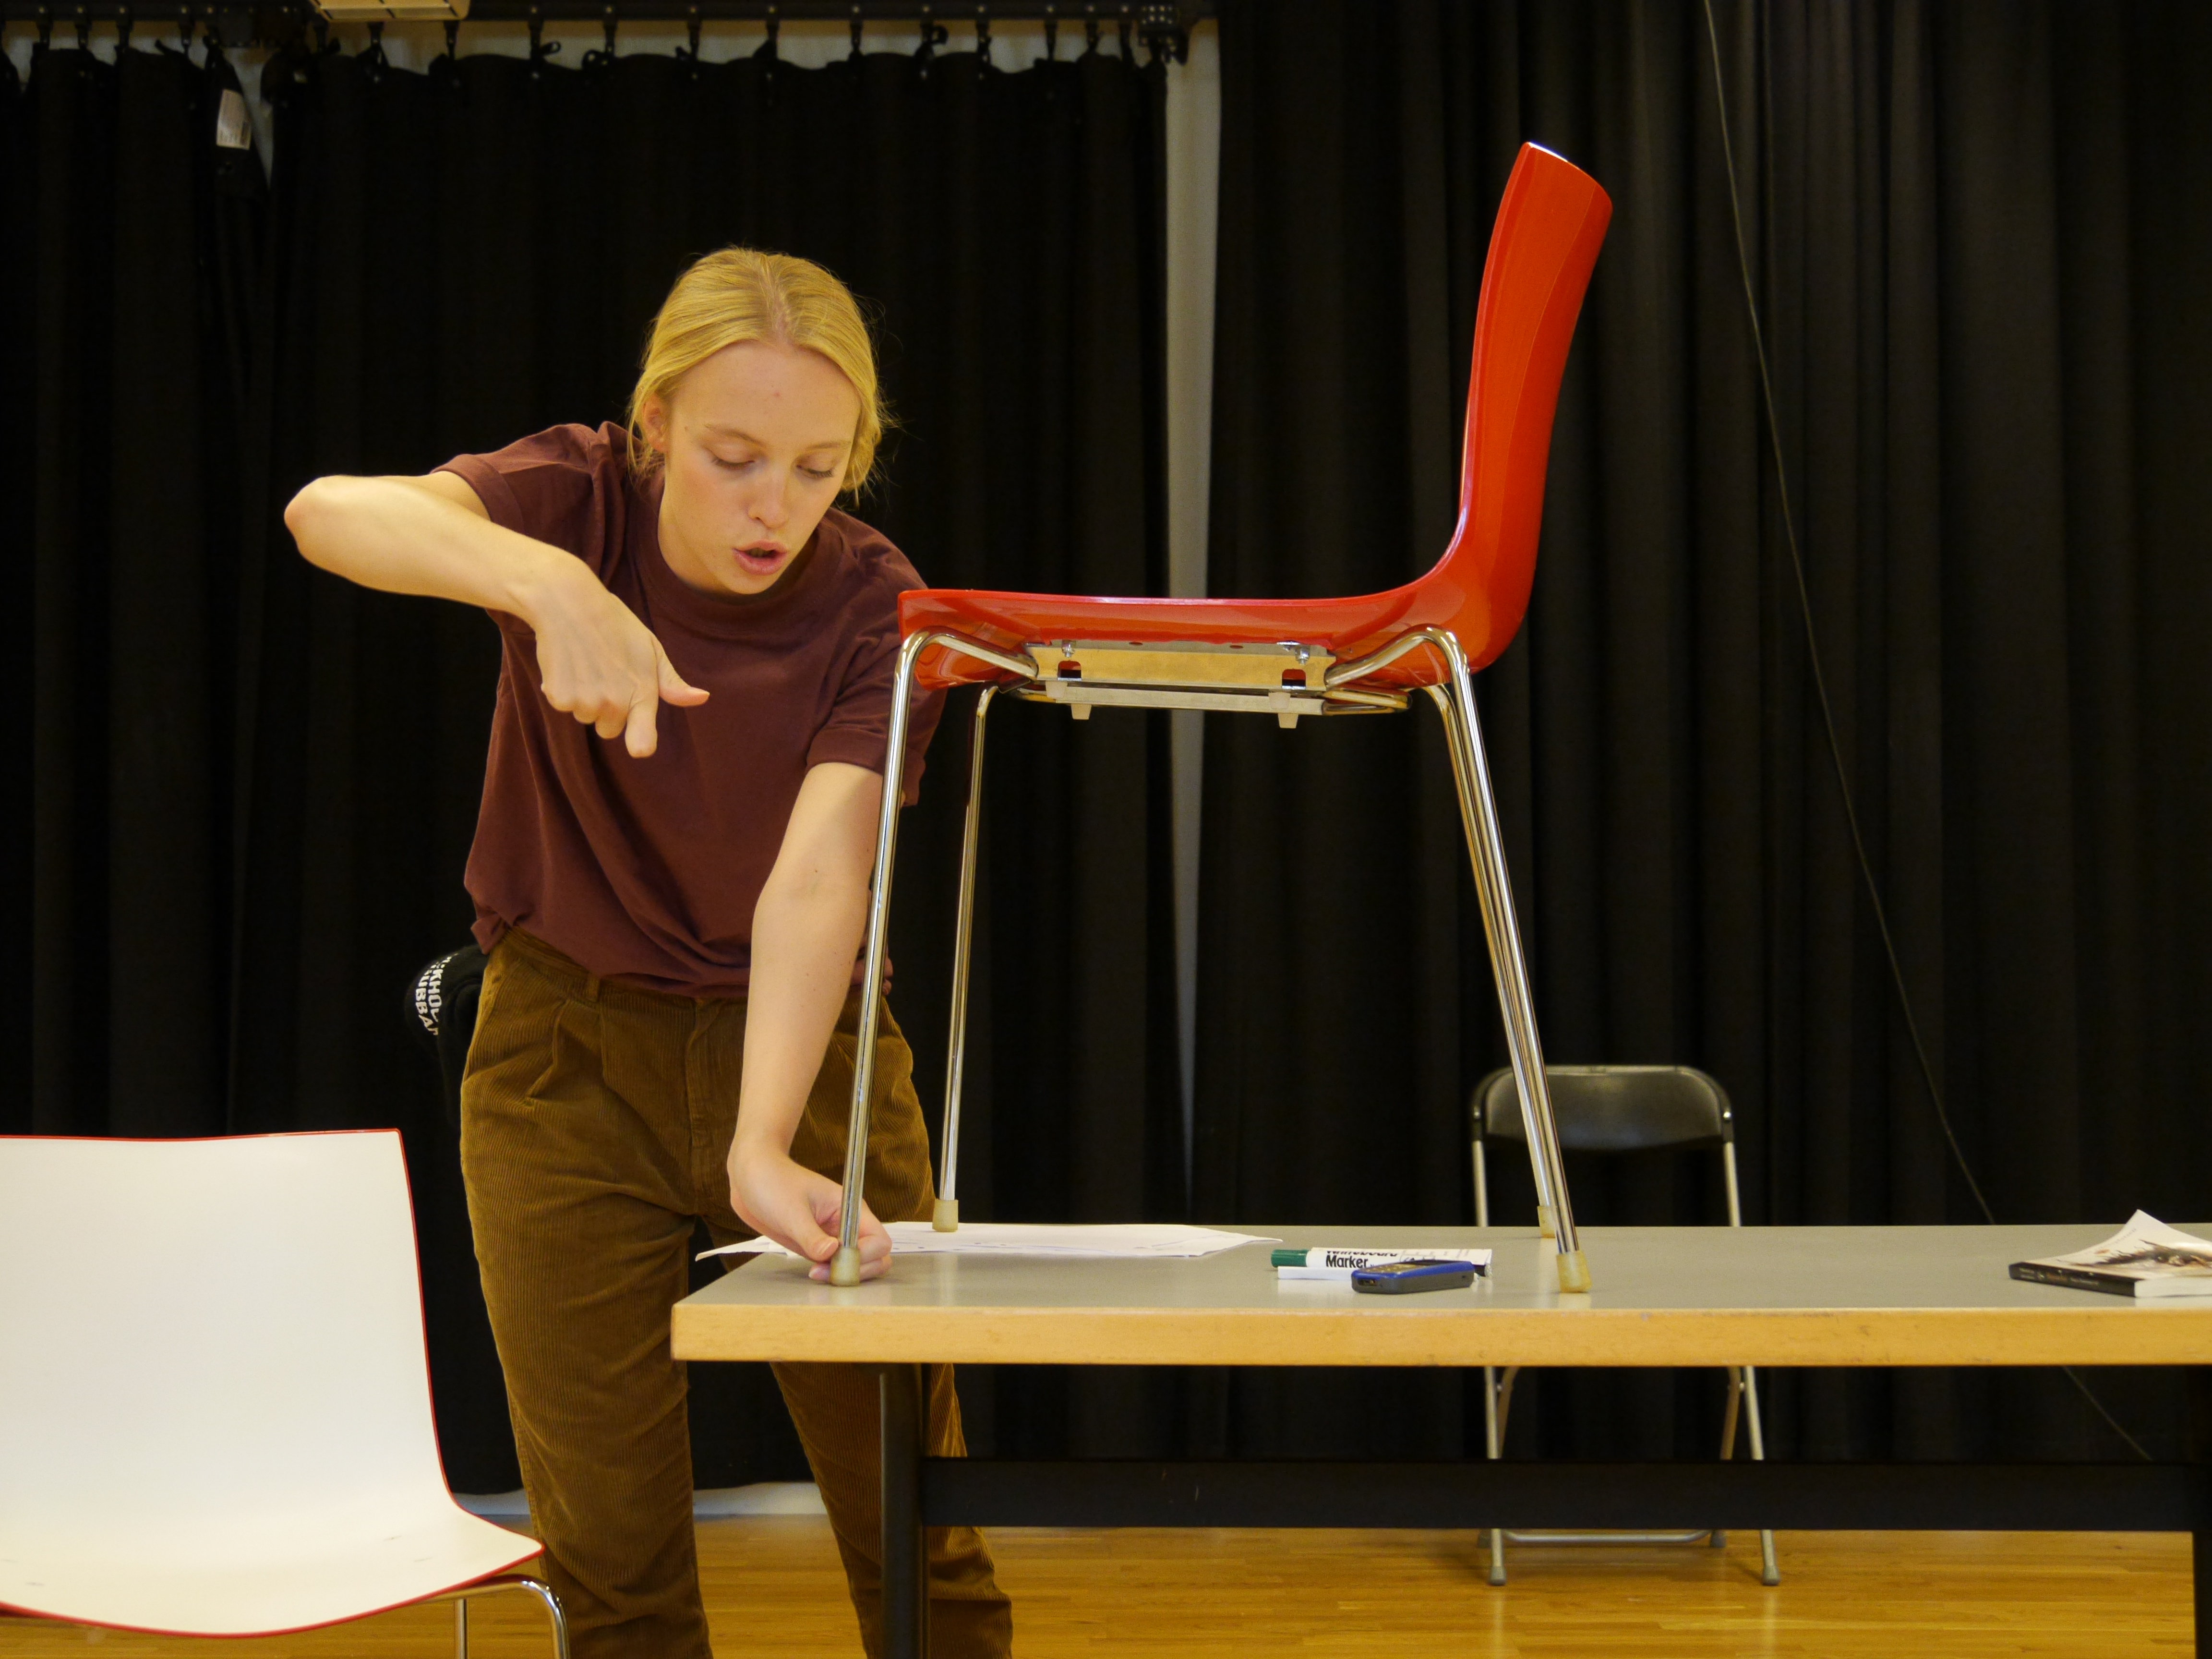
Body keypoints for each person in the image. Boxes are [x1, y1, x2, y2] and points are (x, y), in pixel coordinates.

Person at [285, 248, 1012, 1659]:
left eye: (817, 469)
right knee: (611, 1569)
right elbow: (328, 512)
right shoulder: (575, 499)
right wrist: (548, 586)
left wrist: (760, 1140)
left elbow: (819, 880)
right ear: (657, 426)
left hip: (809, 1055)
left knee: (920, 1539)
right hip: (560, 1058)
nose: (774, 506)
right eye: (735, 458)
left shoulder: (878, 608)